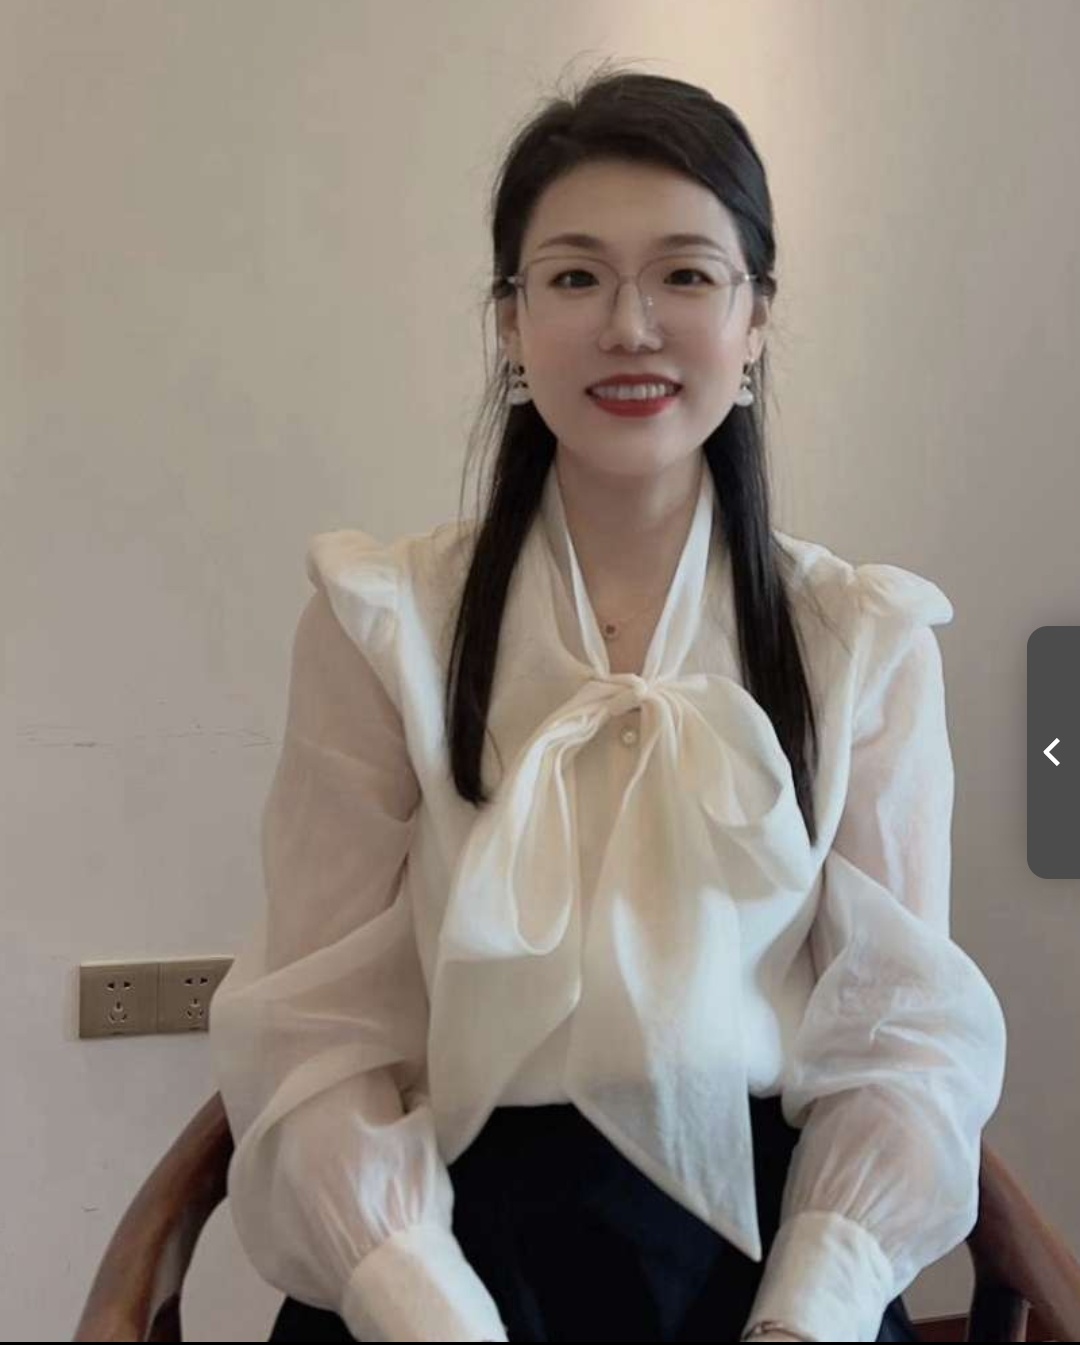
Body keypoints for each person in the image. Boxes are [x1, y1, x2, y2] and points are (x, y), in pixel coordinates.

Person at [208, 62, 1008, 1343]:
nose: (631, 327)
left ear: (756, 318)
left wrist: (815, 1303)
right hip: (439, 1242)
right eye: (576, 278)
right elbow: (319, 1029)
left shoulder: (859, 638)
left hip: (767, 1253)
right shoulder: (383, 622)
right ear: (511, 322)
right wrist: (419, 1299)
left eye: (686, 275)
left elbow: (902, 1038)